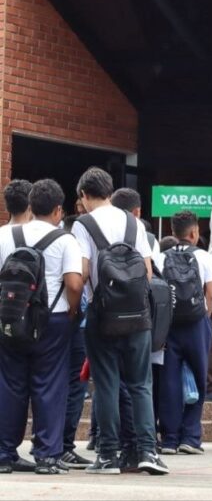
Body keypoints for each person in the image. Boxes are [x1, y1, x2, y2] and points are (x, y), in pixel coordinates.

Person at [71, 167, 168, 475]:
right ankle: (147, 451)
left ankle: (108, 455)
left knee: (107, 384)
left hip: (102, 316)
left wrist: (81, 305)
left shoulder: (83, 224)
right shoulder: (133, 221)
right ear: (111, 192)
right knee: (141, 384)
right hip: (138, 315)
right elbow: (147, 272)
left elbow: (82, 272)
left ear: (84, 195)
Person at [0, 179, 83, 474]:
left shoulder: (4, 235)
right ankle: (47, 456)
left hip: (10, 319)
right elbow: (74, 283)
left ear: (31, 206)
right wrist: (72, 310)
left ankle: (4, 453)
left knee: (10, 384)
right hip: (53, 320)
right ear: (58, 210)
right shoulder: (65, 240)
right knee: (50, 385)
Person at [155, 211, 212, 455]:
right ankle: (190, 438)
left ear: (172, 232)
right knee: (199, 379)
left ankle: (169, 439)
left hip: (169, 326)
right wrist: (204, 318)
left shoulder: (161, 257)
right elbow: (210, 294)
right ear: (194, 232)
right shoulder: (204, 256)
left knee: (169, 381)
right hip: (196, 325)